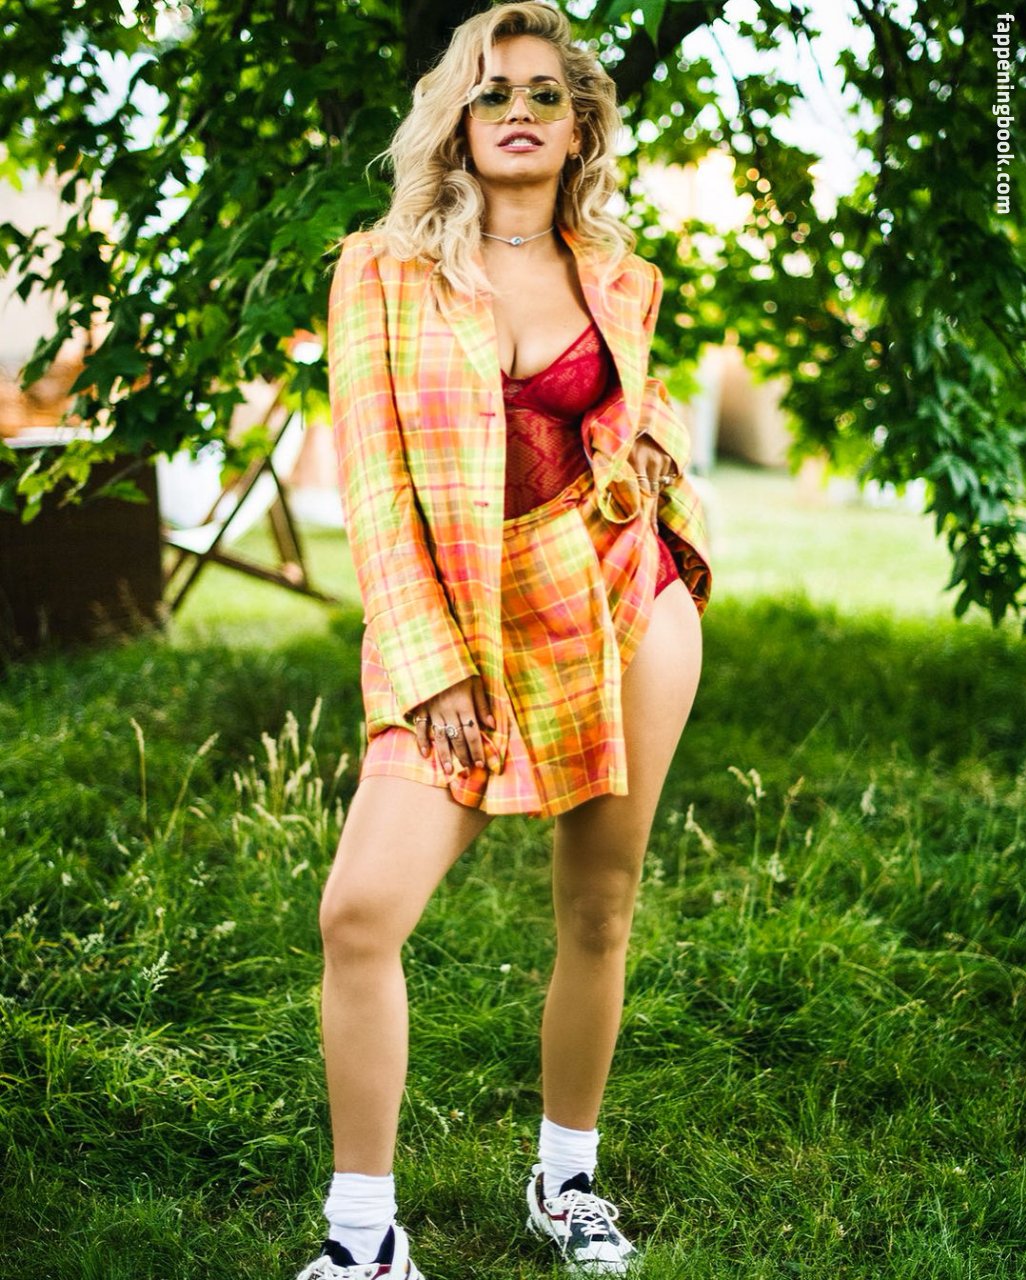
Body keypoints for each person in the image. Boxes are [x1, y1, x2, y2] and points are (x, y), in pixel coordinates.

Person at [298, 4, 712, 1277]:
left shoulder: (619, 274)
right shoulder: (380, 270)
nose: (518, 110)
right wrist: (431, 666)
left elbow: (640, 407)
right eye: (491, 92)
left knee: (597, 904)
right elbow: (374, 486)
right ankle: (365, 1239)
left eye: (543, 93)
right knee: (359, 912)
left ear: (578, 126)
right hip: (463, 624)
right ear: (458, 121)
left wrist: (652, 449)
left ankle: (565, 1178)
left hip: (621, 603)